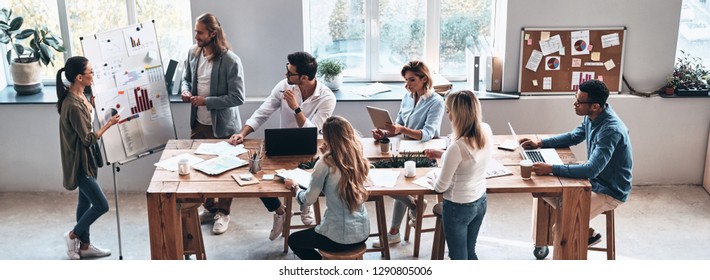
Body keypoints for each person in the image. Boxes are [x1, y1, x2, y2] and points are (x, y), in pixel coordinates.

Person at [229, 51, 336, 240]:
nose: (285, 76)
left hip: (312, 149)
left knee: (310, 174)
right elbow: (263, 111)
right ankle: (280, 211)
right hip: (282, 148)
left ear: (304, 77)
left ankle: (306, 201)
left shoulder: (326, 97)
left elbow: (314, 132)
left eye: (290, 73)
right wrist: (242, 133)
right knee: (256, 179)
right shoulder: (284, 86)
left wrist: (296, 107)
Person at [519, 79, 632, 246]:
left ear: (595, 106)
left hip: (610, 191)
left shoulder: (610, 130)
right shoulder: (593, 116)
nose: (575, 104)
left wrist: (551, 168)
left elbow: (591, 169)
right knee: (543, 190)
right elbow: (573, 136)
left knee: (564, 226)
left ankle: (579, 236)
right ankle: (585, 233)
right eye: (575, 98)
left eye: (579, 102)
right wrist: (541, 143)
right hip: (593, 181)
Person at [181, 12, 246, 235]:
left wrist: (206, 101)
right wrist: (185, 89)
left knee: (226, 172)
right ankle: (209, 208)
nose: (196, 35)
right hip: (198, 123)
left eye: (200, 32)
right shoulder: (192, 53)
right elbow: (186, 78)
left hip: (223, 127)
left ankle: (223, 213)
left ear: (213, 33)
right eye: (195, 31)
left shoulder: (230, 60)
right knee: (199, 168)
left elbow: (238, 97)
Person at [371, 60, 444, 248]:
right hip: (403, 150)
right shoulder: (408, 96)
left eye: (411, 80)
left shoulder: (436, 102)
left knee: (394, 184)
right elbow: (398, 125)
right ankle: (414, 206)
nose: (407, 84)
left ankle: (394, 232)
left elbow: (427, 134)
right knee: (380, 177)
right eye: (406, 80)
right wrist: (386, 133)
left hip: (425, 154)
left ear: (424, 79)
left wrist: (401, 128)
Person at [57, 56, 120, 260]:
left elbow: (86, 119)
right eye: (90, 72)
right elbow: (87, 139)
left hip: (88, 160)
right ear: (79, 77)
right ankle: (73, 235)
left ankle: (84, 246)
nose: (93, 75)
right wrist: (109, 125)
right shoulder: (73, 105)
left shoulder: (82, 95)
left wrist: (91, 106)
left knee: (83, 204)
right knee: (102, 205)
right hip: (80, 163)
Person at [285, 116, 370, 260]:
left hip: (337, 238)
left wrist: (295, 187)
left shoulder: (324, 164)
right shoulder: (358, 158)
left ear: (326, 138)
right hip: (362, 234)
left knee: (294, 240)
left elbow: (308, 199)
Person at [424, 90, 493, 260]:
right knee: (470, 252)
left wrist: (433, 176)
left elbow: (440, 187)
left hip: (458, 208)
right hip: (480, 202)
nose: (447, 115)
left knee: (458, 257)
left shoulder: (456, 147)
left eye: (448, 111)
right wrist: (443, 154)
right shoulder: (486, 129)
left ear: (457, 114)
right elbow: (467, 159)